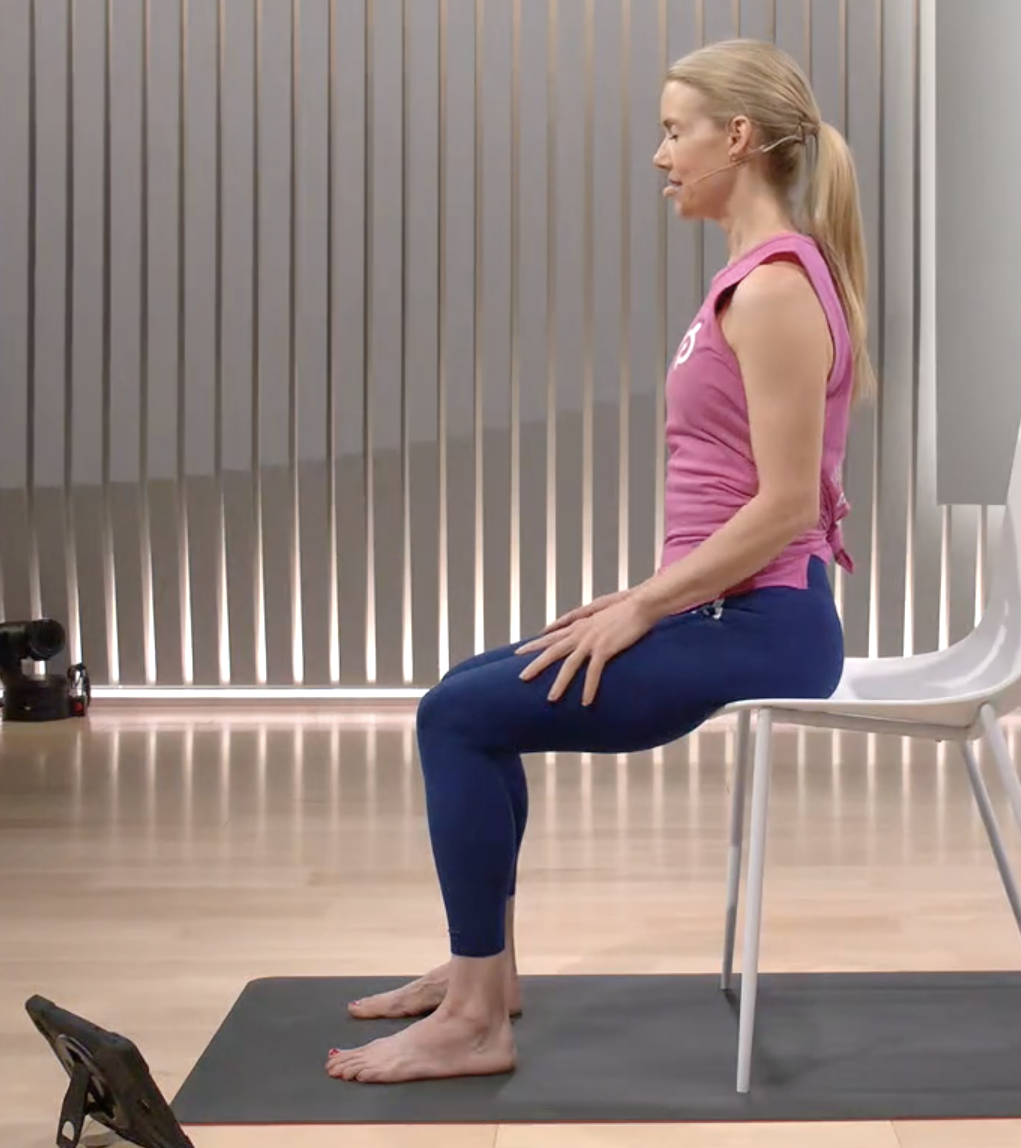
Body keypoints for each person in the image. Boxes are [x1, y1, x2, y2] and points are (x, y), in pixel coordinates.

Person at [326, 38, 873, 1084]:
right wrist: (646, 598)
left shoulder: (773, 290)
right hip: (725, 611)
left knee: (460, 717)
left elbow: (789, 505)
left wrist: (646, 609)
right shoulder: (758, 278)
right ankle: (482, 975)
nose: (661, 156)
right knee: (466, 699)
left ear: (740, 139)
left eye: (676, 131)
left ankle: (477, 1019)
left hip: (763, 629)